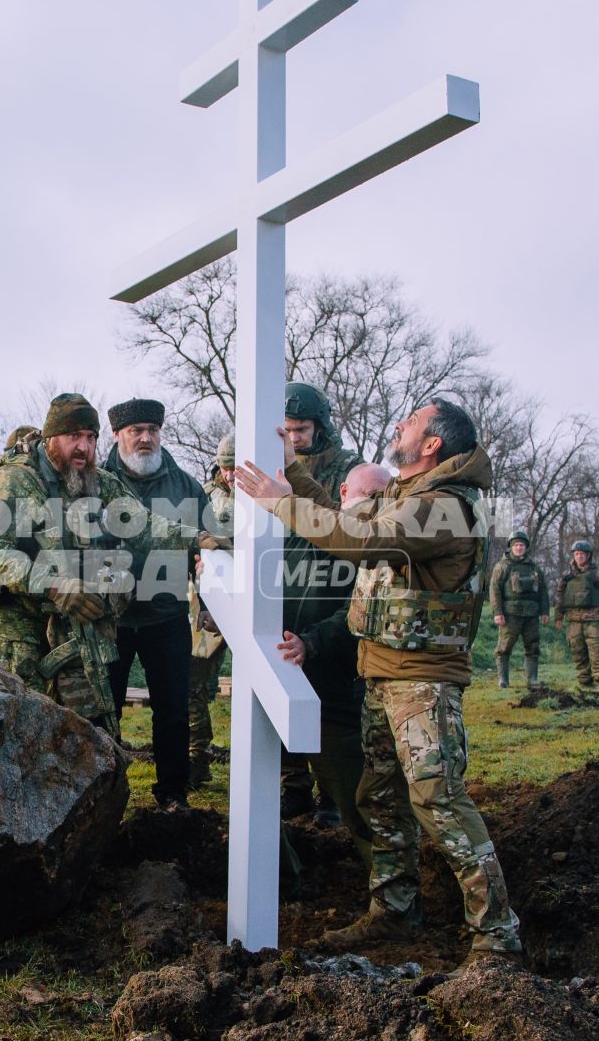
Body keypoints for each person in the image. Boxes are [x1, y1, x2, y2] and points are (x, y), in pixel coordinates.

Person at [235, 397, 524, 961]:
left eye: (411, 421)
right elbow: (347, 522)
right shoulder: (407, 495)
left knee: (438, 799)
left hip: (423, 683)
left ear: (433, 443)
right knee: (383, 798)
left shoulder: (447, 508)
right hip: (380, 672)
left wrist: (280, 503)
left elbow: (358, 543)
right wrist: (293, 473)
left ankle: (496, 934)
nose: (399, 426)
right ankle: (394, 913)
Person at [0, 394, 200, 762]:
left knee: (89, 719)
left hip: (68, 616)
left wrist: (196, 536)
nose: (85, 446)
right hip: (15, 615)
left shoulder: (95, 480)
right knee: (23, 717)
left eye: (92, 438)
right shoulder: (12, 480)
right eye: (75, 436)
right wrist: (54, 584)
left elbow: (140, 522)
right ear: (52, 438)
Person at [101, 398, 210, 807]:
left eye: (152, 430)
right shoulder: (95, 481)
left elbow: (210, 548)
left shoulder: (185, 486)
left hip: (166, 616)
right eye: (136, 431)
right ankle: (106, 796)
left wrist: (211, 598)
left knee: (173, 710)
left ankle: (172, 793)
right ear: (118, 435)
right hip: (108, 620)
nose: (145, 438)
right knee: (104, 711)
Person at [277, 382, 366, 824]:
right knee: (280, 688)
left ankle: (332, 795)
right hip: (285, 581)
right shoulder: (273, 464)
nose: (294, 437)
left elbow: (345, 524)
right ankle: (293, 788)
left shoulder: (350, 469)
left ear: (320, 425)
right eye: (288, 429)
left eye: (302, 428)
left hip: (333, 582)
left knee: (329, 694)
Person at [186, 436, 236, 789]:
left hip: (264, 599)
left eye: (236, 466)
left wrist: (220, 541)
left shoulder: (274, 491)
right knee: (194, 682)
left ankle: (286, 775)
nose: (231, 474)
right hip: (211, 601)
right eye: (225, 467)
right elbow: (189, 538)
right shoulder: (203, 494)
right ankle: (196, 757)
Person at [488, 531, 548, 689]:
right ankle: (503, 680)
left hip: (531, 614)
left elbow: (543, 590)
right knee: (504, 647)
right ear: (511, 547)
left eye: (522, 545)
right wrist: (498, 613)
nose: (519, 548)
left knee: (533, 646)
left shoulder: (534, 567)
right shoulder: (503, 566)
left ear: (526, 547)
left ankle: (532, 679)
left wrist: (545, 612)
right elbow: (495, 590)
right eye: (516, 545)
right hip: (510, 614)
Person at [553, 539, 599, 689]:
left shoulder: (598, 573)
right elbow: (559, 596)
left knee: (596, 649)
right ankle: (585, 681)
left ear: (588, 556)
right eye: (577, 554)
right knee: (577, 650)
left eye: (582, 554)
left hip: (593, 617)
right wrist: (558, 616)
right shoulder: (567, 575)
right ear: (573, 555)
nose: (579, 557)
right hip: (573, 619)